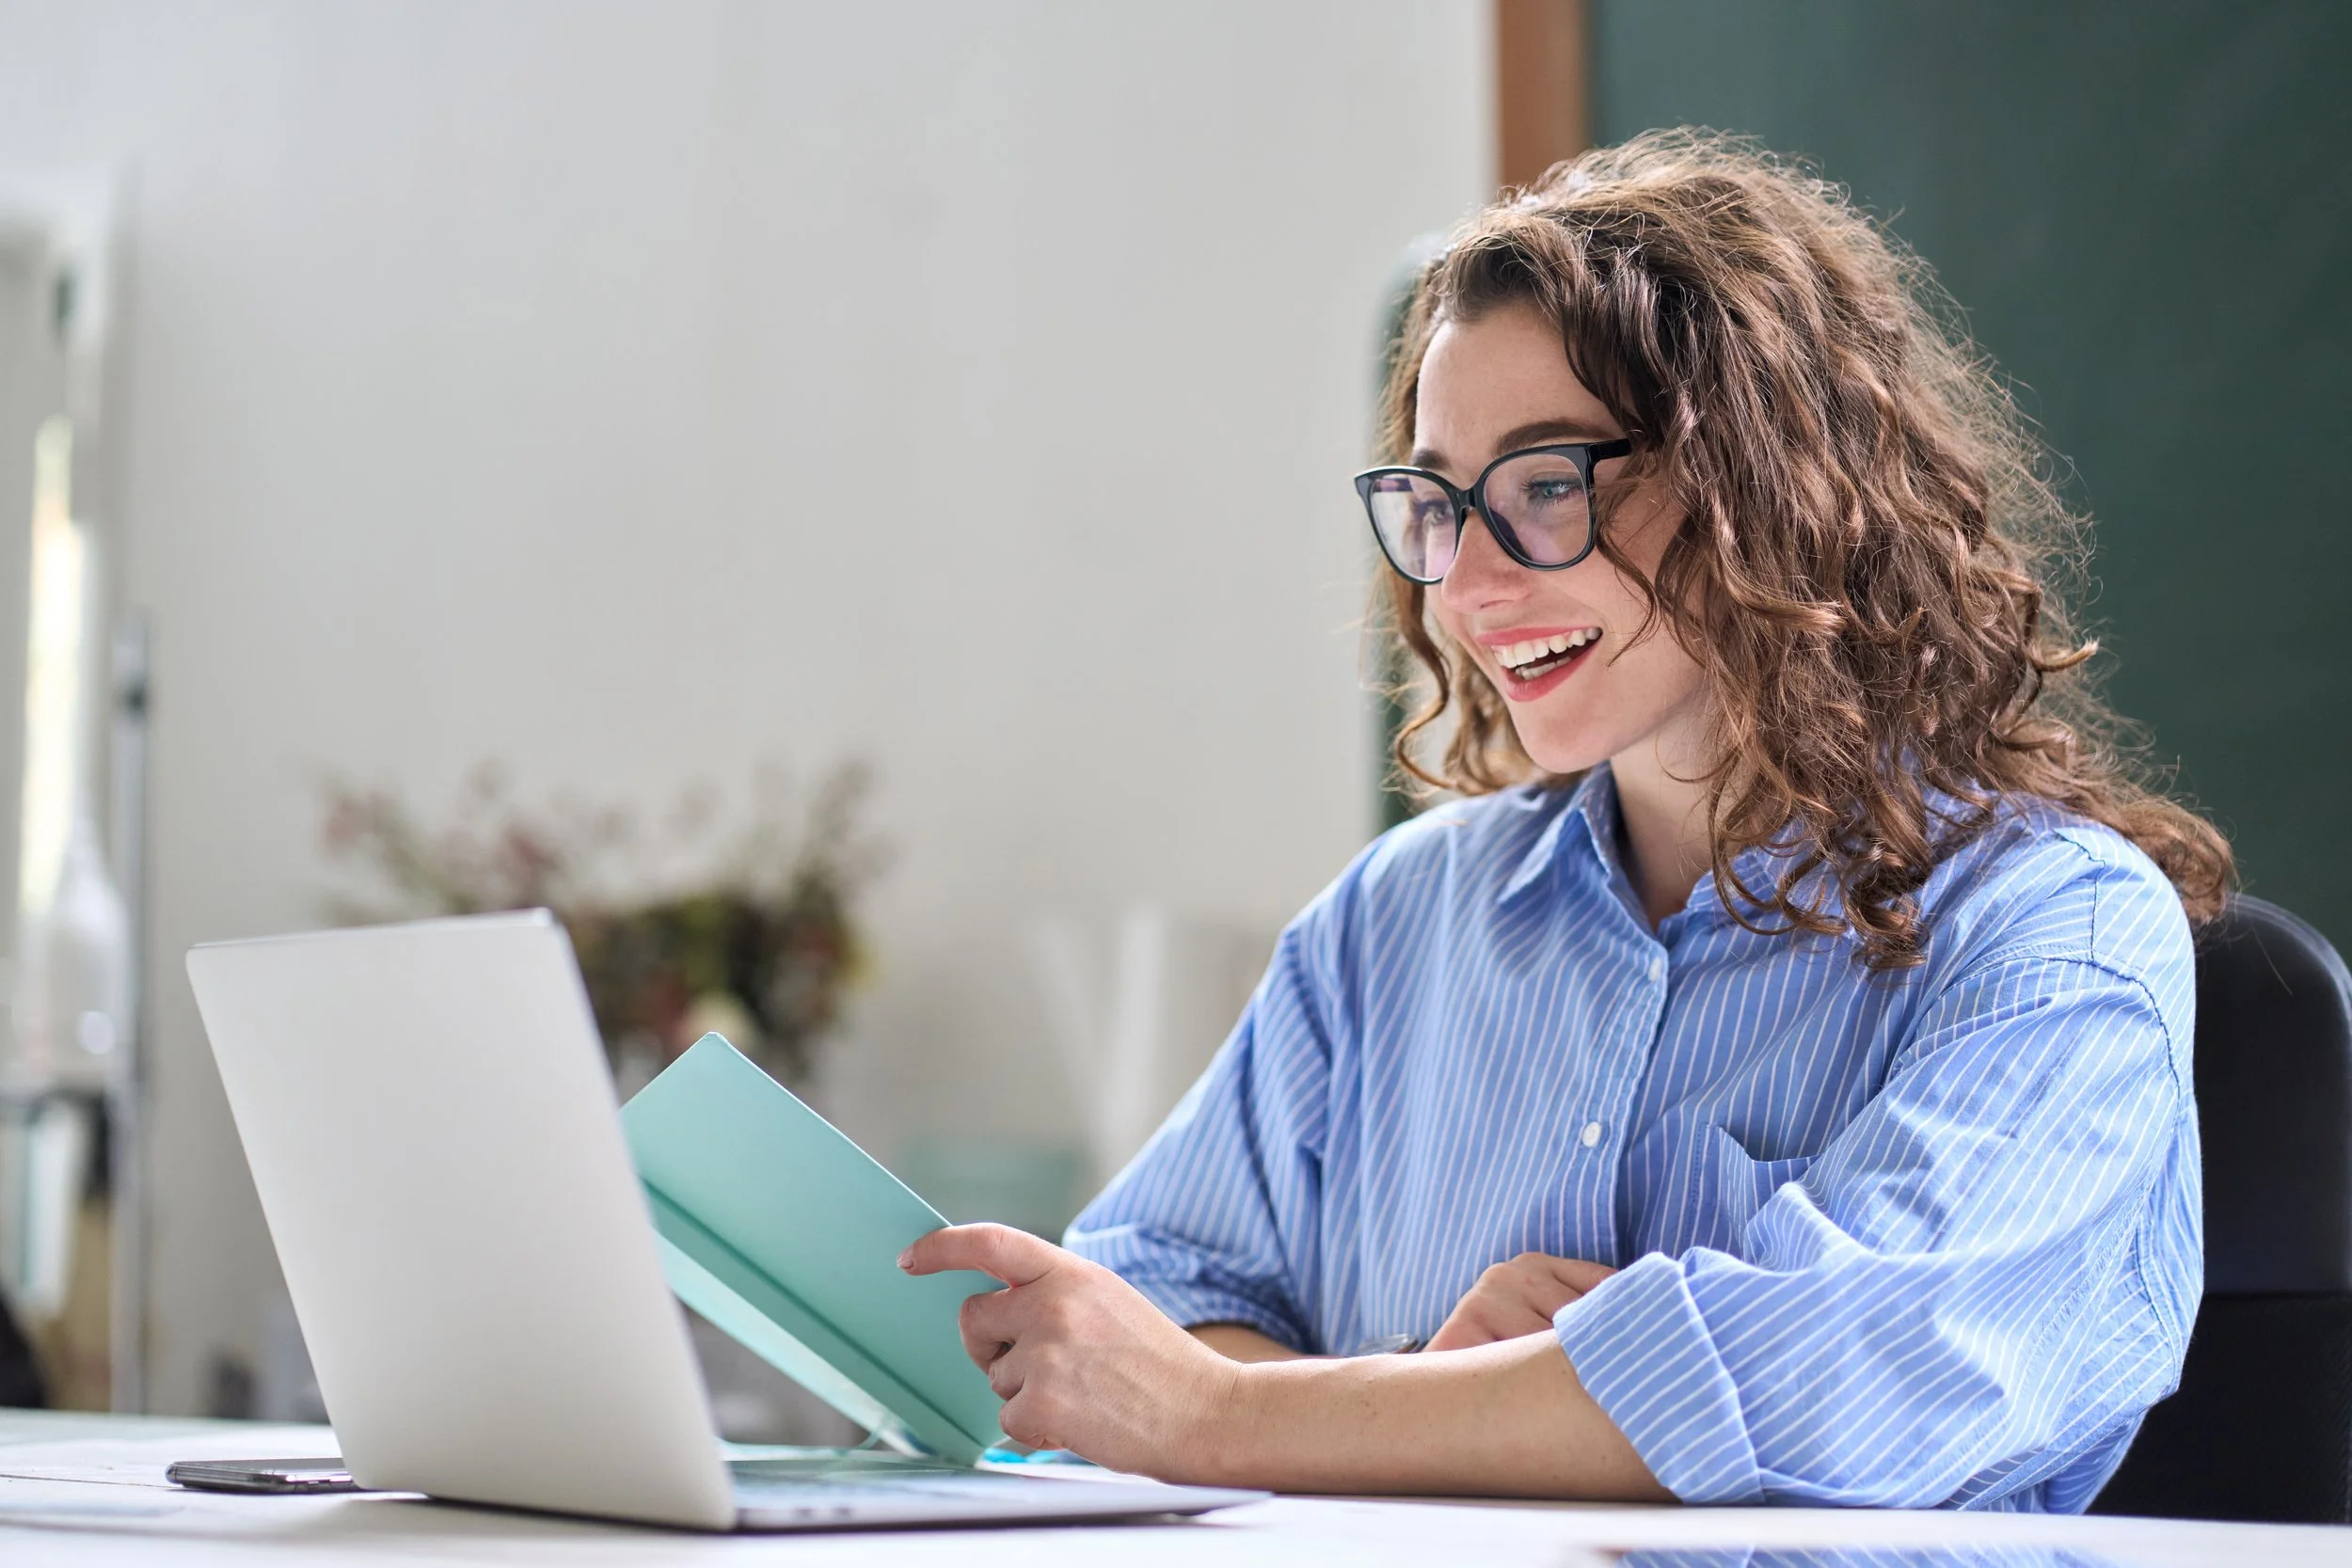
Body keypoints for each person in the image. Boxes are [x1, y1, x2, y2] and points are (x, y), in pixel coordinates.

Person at [902, 130, 2231, 1510]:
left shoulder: (2057, 932)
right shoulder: (1393, 922)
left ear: (1762, 485)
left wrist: (1233, 1413)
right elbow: (1122, 1331)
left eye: (1547, 485)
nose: (1467, 583)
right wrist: (1428, 1389)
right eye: (1436, 502)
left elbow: (1828, 1375)